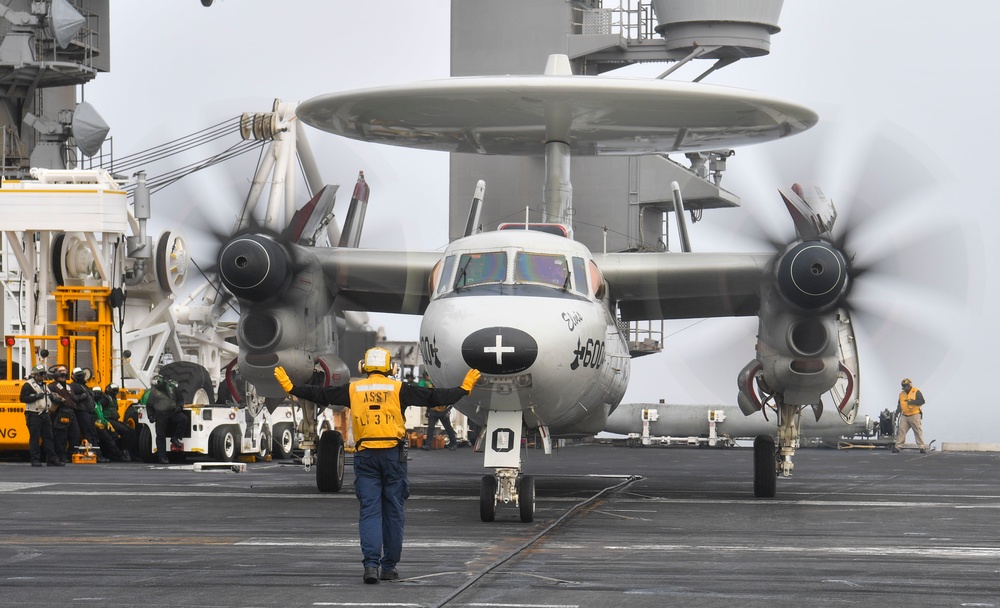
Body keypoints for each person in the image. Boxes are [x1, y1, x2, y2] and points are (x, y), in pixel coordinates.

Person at [274, 347, 480, 584]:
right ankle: (389, 567)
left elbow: (321, 394)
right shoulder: (399, 389)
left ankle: (370, 566)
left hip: (366, 457)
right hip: (393, 457)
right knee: (393, 512)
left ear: (363, 367)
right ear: (391, 368)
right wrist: (462, 389)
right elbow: (435, 397)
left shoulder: (353, 389)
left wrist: (292, 388)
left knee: (370, 512)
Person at [19, 365, 66, 467]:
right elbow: (23, 398)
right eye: (41, 374)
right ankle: (35, 459)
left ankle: (51, 459)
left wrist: (55, 399)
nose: (42, 376)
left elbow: (49, 396)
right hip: (33, 414)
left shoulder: (44, 385)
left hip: (44, 414)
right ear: (35, 375)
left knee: (48, 436)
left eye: (44, 374)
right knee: (35, 438)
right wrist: (36, 397)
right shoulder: (28, 385)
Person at [146, 375, 187, 464]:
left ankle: (175, 437)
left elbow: (180, 399)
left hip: (172, 413)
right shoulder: (153, 393)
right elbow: (149, 405)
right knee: (160, 436)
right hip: (160, 415)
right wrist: (150, 416)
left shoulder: (172, 388)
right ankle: (162, 457)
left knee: (183, 419)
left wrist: (179, 407)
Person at [98, 383, 139, 460]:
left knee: (131, 431)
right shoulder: (105, 399)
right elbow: (98, 408)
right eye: (114, 390)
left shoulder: (113, 399)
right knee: (125, 431)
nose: (115, 392)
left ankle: (130, 452)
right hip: (108, 421)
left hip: (114, 420)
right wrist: (102, 421)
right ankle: (121, 451)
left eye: (116, 391)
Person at [48, 365, 81, 463]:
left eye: (65, 374)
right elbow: (51, 399)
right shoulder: (52, 386)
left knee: (75, 434)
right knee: (60, 436)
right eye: (61, 374)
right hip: (60, 412)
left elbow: (73, 398)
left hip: (71, 412)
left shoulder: (69, 386)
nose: (63, 376)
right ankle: (61, 456)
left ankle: (71, 454)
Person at [70, 367, 103, 460]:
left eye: (82, 375)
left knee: (93, 434)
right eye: (79, 375)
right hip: (83, 413)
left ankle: (97, 455)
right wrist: (82, 396)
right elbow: (73, 397)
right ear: (74, 377)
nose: (81, 377)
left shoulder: (84, 386)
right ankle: (95, 455)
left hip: (89, 413)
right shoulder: (74, 386)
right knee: (89, 434)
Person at [893, 377, 928, 454]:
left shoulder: (916, 391)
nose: (906, 387)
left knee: (918, 431)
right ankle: (897, 447)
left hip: (914, 415)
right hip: (905, 416)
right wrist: (896, 414)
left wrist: (912, 402)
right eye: (904, 386)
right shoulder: (901, 394)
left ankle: (922, 447)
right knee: (901, 431)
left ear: (910, 385)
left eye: (907, 385)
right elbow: (899, 405)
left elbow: (922, 401)